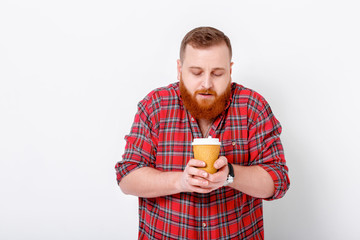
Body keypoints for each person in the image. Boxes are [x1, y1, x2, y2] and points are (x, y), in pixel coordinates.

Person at [115, 26, 290, 240]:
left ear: (230, 69)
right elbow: (127, 177)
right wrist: (181, 182)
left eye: (217, 73)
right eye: (196, 72)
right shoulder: (155, 106)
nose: (207, 83)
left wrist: (230, 175)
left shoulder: (252, 106)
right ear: (179, 69)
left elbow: (277, 180)